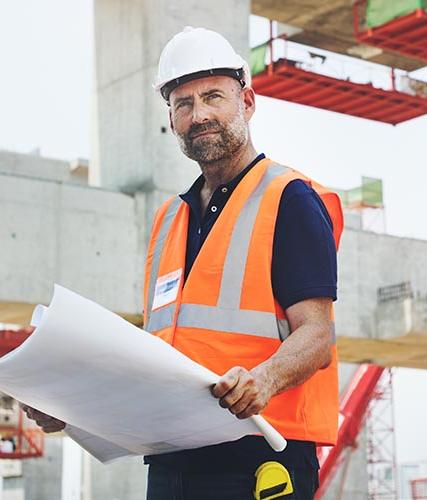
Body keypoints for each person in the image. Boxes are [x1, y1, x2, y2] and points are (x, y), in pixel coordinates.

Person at [22, 26, 343, 500]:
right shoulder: (169, 218)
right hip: (172, 463)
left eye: (213, 96)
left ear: (247, 103)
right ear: (171, 120)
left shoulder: (288, 198)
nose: (199, 115)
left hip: (259, 460)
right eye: (183, 104)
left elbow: (318, 335)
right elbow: (160, 354)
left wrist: (263, 380)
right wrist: (71, 409)